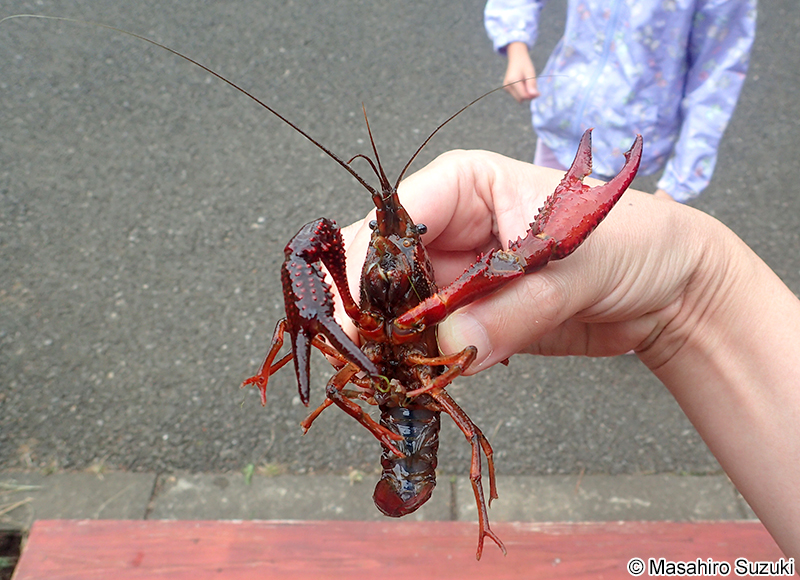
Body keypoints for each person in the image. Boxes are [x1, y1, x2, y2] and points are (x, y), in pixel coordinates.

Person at [338, 150, 800, 560]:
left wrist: (690, 289)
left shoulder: (421, 276)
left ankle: (477, 518)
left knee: (476, 439)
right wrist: (689, 297)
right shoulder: (375, 277)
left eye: (411, 236)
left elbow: (462, 351)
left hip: (421, 394)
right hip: (396, 386)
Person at [484, 0, 757, 202]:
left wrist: (677, 186)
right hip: (561, 117)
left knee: (589, 258)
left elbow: (717, 76)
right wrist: (515, 44)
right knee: (531, 214)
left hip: (623, 151)